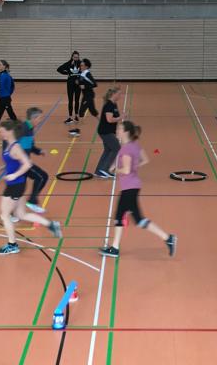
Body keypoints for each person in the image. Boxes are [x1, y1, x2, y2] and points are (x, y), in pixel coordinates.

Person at [98, 121, 176, 258]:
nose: (117, 130)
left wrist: (115, 170)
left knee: (121, 217)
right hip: (133, 186)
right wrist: (133, 166)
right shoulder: (134, 145)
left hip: (129, 187)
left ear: (126, 132)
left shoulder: (126, 149)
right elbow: (145, 160)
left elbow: (126, 170)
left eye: (120, 129)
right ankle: (168, 238)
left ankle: (115, 248)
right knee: (137, 220)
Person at [0, 121, 62, 255]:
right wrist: (2, 167)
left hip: (15, 185)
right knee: (21, 214)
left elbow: (27, 164)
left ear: (10, 131)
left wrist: (14, 175)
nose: (0, 133)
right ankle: (50, 225)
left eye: (2, 131)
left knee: (5, 215)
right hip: (16, 185)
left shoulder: (15, 147)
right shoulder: (9, 144)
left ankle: (12, 245)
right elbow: (14, 162)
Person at [20, 107, 48, 214]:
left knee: (41, 177)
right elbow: (15, 147)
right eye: (40, 118)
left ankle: (31, 201)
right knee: (41, 177)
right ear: (33, 118)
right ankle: (30, 202)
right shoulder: (24, 129)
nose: (41, 120)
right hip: (20, 163)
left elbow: (29, 146)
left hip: (25, 162)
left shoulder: (29, 128)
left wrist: (39, 151)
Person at [95, 87, 123, 178]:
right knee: (116, 148)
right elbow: (109, 119)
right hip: (105, 131)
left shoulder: (114, 104)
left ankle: (99, 171)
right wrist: (120, 118)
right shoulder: (109, 105)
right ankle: (104, 169)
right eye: (119, 94)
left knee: (108, 150)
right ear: (113, 94)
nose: (120, 96)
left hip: (109, 131)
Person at [70, 59, 97, 137]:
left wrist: (85, 86)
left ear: (86, 66)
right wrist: (78, 82)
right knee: (93, 112)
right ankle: (106, 124)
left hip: (88, 96)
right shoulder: (82, 73)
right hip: (86, 95)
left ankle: (77, 131)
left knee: (81, 112)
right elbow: (81, 81)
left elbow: (94, 84)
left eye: (82, 65)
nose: (80, 67)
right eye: (80, 65)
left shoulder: (87, 74)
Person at [57, 51, 82, 124]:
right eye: (75, 57)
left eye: (77, 57)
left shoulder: (81, 63)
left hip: (78, 85)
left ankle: (76, 116)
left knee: (77, 100)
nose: (76, 58)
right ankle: (70, 117)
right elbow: (59, 69)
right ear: (72, 57)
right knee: (70, 100)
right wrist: (67, 73)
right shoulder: (68, 63)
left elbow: (85, 72)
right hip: (70, 84)